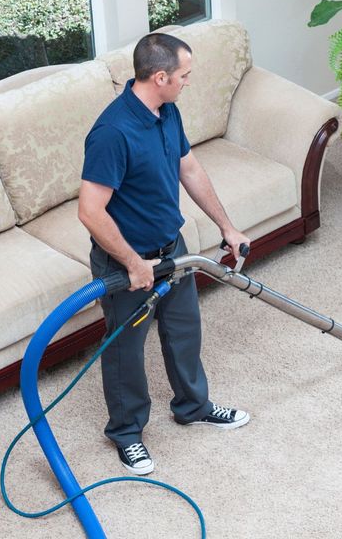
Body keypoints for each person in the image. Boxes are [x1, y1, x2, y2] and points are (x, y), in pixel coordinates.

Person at [78, 33, 250, 476]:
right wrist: (134, 264)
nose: (187, 82)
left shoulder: (167, 111)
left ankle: (193, 406)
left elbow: (187, 167)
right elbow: (90, 211)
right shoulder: (112, 132)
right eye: (184, 75)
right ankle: (126, 433)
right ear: (160, 76)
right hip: (128, 263)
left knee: (184, 331)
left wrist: (226, 226)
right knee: (126, 352)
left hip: (172, 249)